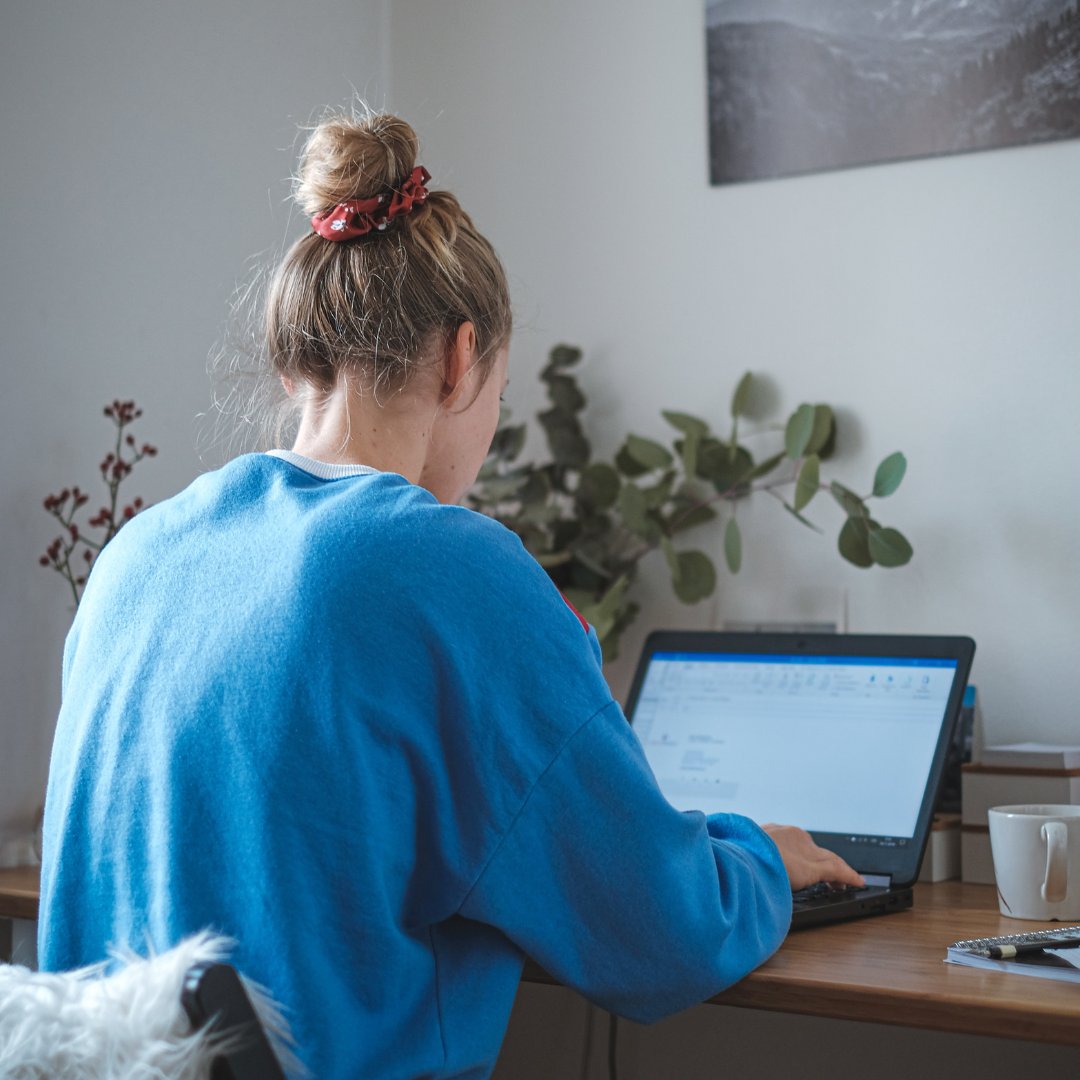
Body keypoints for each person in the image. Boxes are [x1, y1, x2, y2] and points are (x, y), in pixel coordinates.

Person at [38, 110, 862, 1080]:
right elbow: (661, 934)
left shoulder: (137, 555)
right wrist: (762, 860)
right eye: (501, 393)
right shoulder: (447, 568)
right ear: (463, 359)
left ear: (304, 356)